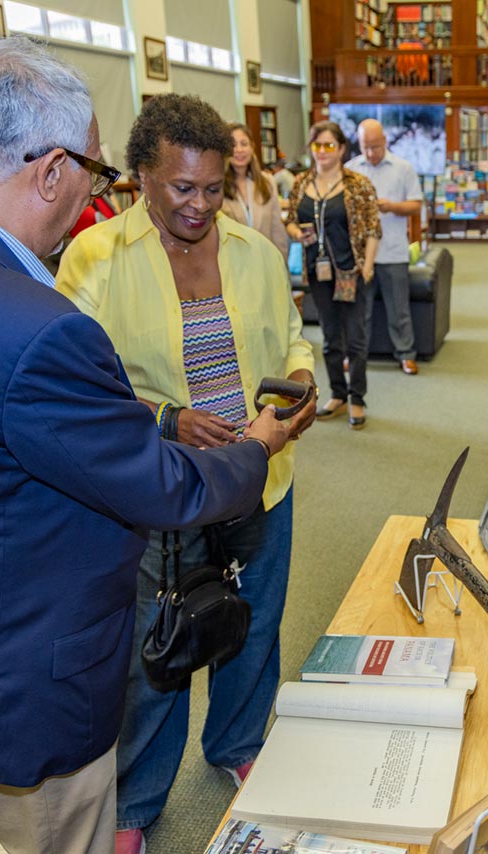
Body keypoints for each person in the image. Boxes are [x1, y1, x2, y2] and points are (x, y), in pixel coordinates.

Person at [0, 36, 299, 854]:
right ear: (52, 171)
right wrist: (258, 445)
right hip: (33, 674)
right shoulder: (35, 325)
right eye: (96, 170)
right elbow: (163, 486)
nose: (93, 190)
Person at [56, 93, 316, 854]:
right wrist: (168, 419)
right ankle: (135, 800)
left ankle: (238, 743)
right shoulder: (97, 256)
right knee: (159, 644)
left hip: (259, 473)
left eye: (212, 187)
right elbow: (71, 383)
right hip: (159, 487)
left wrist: (302, 383)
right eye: (181, 187)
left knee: (254, 623)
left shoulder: (254, 252)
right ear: (141, 174)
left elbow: (292, 338)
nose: (199, 204)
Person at [287, 120, 380, 430]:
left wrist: (367, 267)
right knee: (329, 338)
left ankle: (357, 398)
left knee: (356, 339)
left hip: (351, 272)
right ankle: (338, 393)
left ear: (341, 149)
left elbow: (373, 228)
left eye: (329, 145)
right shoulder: (301, 182)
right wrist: (296, 233)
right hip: (319, 272)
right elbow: (291, 219)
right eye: (317, 145)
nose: (323, 151)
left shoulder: (358, 184)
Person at [346, 118, 424, 375]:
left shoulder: (403, 168)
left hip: (393, 251)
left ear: (385, 141)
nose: (371, 153)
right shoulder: (350, 170)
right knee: (360, 311)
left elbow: (416, 205)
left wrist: (392, 206)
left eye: (375, 147)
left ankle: (406, 354)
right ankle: (356, 355)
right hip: (360, 255)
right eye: (365, 147)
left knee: (398, 309)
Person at [222, 121, 289, 260]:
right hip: (234, 262)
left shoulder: (267, 181)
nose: (239, 150)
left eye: (244, 144)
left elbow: (277, 228)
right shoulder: (218, 185)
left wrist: (282, 261)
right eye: (233, 145)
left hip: (266, 259)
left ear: (252, 147)